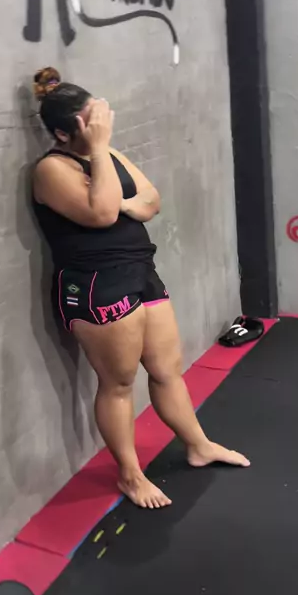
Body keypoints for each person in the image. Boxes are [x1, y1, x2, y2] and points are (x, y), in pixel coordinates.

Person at [32, 67, 249, 509]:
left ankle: (198, 445)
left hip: (140, 270)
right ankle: (130, 476)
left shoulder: (109, 155)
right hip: (95, 283)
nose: (102, 131)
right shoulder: (50, 169)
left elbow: (151, 200)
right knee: (119, 382)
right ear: (63, 133)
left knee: (167, 368)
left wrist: (121, 197)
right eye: (92, 125)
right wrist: (100, 157)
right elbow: (101, 214)